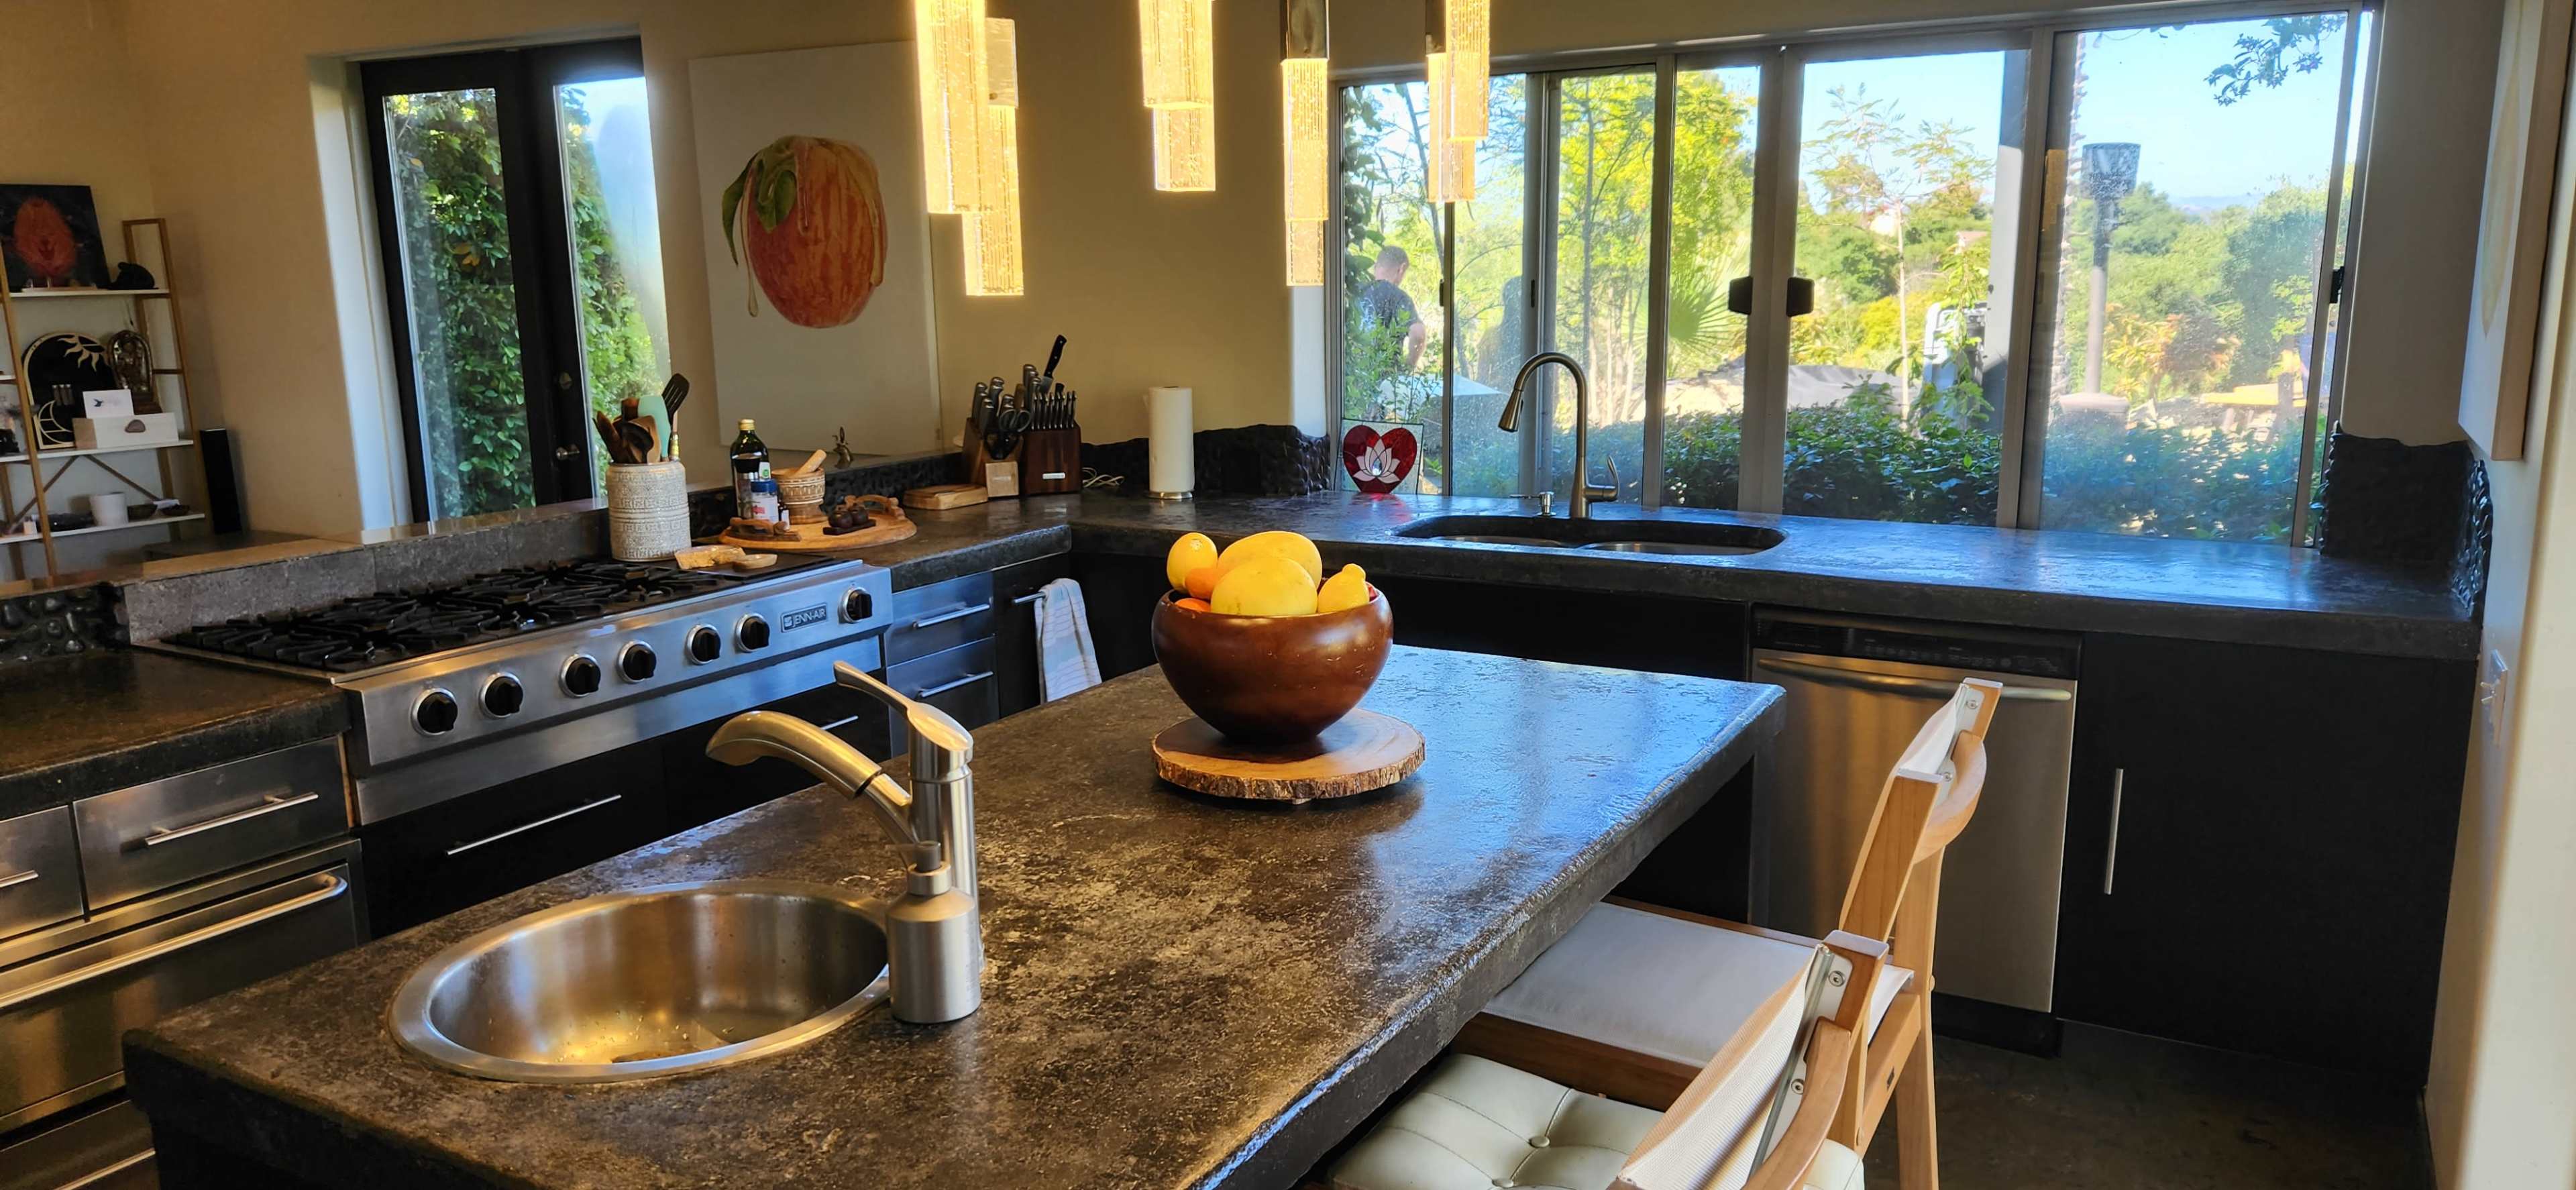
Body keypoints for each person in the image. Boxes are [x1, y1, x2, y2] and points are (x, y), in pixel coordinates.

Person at [1355, 246, 1428, 371]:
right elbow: (1418, 334)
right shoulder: (1399, 298)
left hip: (1354, 376)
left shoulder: (1355, 291)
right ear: (1401, 269)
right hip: (1386, 378)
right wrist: (1409, 366)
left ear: (1376, 267)